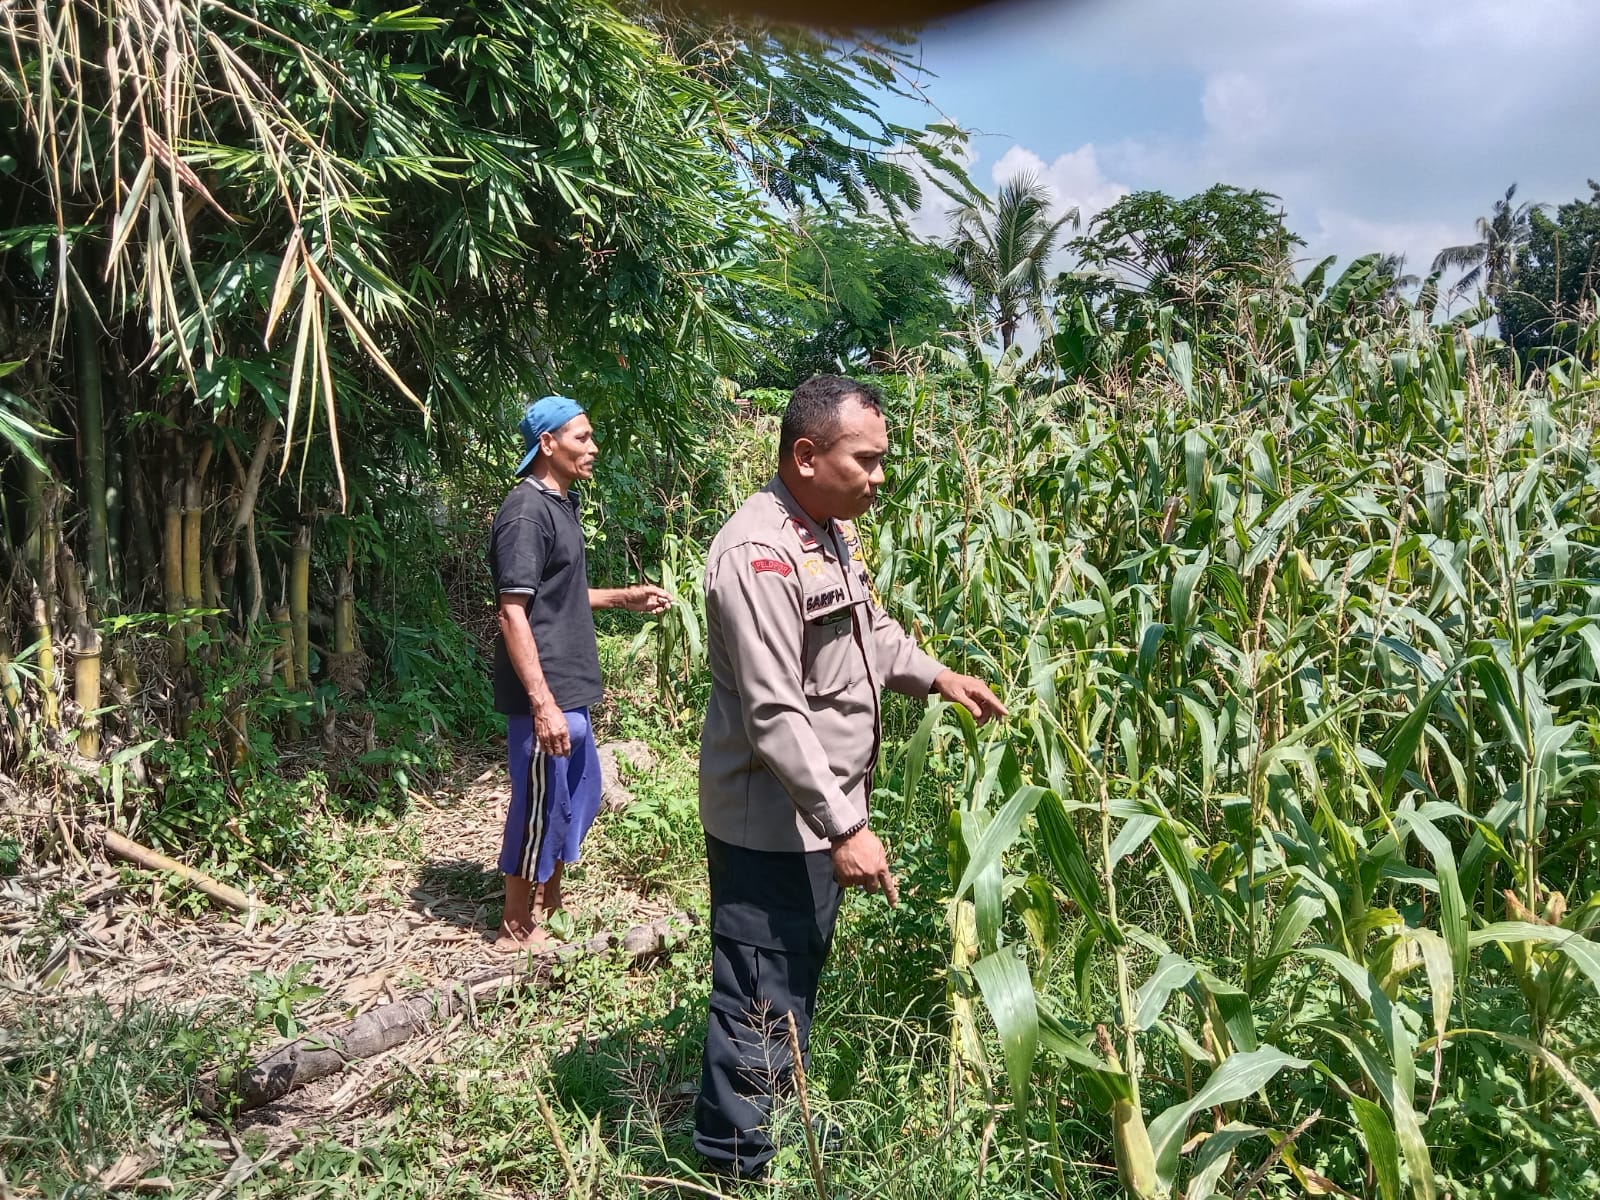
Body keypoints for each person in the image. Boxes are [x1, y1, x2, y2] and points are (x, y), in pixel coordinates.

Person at [693, 374, 1007, 1177]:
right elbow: (774, 714)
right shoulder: (758, 555)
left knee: (792, 978)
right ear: (806, 455)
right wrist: (848, 827)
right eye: (865, 461)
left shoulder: (825, 530)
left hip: (819, 812)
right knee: (757, 992)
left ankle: (775, 1130)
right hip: (774, 821)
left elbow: (870, 634)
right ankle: (733, 1162)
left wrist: (938, 676)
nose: (878, 477)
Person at [489, 395, 669, 952]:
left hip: (571, 684)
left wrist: (622, 597)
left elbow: (556, 595)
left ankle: (553, 904)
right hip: (544, 688)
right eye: (582, 438)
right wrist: (540, 701)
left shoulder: (560, 504)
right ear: (548, 444)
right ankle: (515, 925)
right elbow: (511, 609)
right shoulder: (524, 512)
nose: (592, 448)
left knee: (577, 794)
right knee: (538, 800)